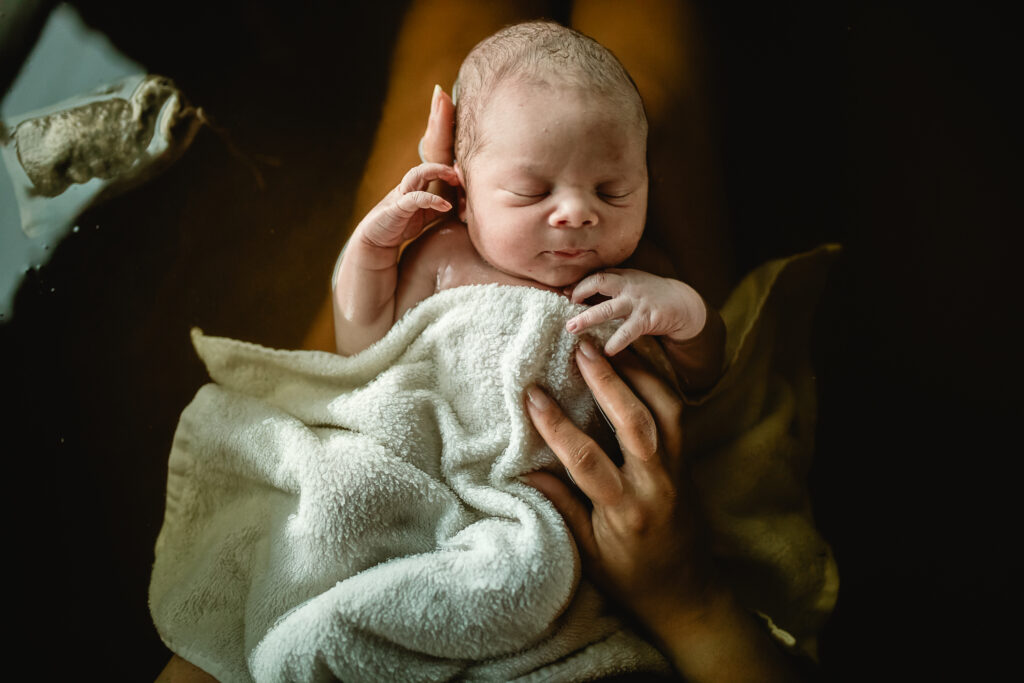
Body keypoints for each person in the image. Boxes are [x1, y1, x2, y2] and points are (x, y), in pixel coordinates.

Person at [333, 21, 726, 394]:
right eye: (532, 192)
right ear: (465, 196)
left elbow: (701, 377)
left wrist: (686, 314)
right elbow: (365, 353)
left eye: (611, 191)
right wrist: (370, 250)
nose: (575, 212)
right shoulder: (442, 256)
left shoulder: (641, 276)